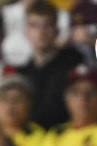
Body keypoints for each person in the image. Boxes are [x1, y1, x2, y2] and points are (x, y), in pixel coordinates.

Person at [17, 1, 85, 130]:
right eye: (34, 25)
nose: (41, 32)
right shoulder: (22, 73)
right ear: (26, 31)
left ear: (57, 30)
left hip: (68, 134)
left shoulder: (74, 62)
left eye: (47, 25)